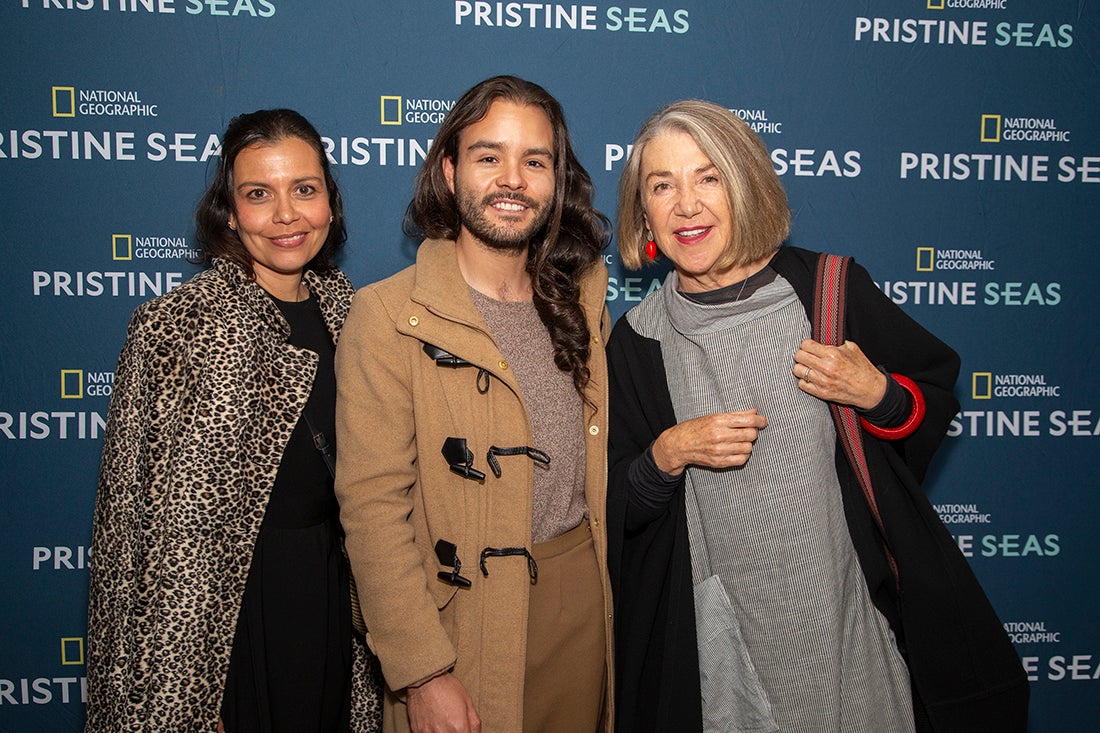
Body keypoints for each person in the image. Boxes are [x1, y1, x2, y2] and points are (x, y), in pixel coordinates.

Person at [606, 100, 1029, 733]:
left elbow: (929, 402)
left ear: (745, 185)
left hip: (845, 633)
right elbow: (616, 512)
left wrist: (875, 391)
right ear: (644, 215)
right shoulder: (636, 341)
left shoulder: (829, 292)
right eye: (661, 186)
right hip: (718, 658)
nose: (685, 205)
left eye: (709, 176)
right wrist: (668, 454)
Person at [85, 109, 382, 733]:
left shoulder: (355, 316)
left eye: (305, 189)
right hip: (219, 621)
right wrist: (183, 687)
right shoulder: (176, 327)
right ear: (228, 211)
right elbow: (127, 532)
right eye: (258, 195)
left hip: (330, 599)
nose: (285, 215)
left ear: (330, 201)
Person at [334, 75, 613, 733]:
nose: (512, 179)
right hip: (459, 627)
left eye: (534, 161)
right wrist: (422, 670)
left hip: (580, 612)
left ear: (558, 179)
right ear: (451, 169)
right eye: (490, 156)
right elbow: (373, 511)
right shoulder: (386, 315)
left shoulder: (586, 300)